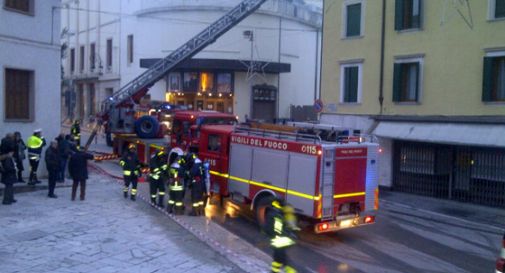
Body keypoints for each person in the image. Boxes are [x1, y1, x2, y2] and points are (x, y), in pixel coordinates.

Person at [265, 198, 300, 273]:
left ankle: (287, 271)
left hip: (280, 239)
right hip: (287, 237)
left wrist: (274, 236)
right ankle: (275, 270)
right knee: (279, 256)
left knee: (280, 256)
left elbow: (275, 229)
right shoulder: (284, 211)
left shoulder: (274, 214)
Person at [167, 148, 184, 214]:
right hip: (178, 186)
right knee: (178, 200)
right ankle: (178, 212)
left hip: (172, 185)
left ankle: (169, 209)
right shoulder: (180, 168)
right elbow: (183, 175)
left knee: (171, 199)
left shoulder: (171, 166)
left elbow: (170, 174)